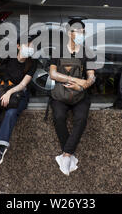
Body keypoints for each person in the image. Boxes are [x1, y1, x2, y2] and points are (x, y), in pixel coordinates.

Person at [49, 19, 97, 176]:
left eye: (83, 31)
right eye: (77, 31)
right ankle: (69, 154)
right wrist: (75, 80)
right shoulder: (58, 50)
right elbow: (53, 74)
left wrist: (82, 86)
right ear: (69, 33)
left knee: (81, 119)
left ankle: (66, 155)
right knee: (58, 116)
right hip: (60, 94)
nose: (81, 34)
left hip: (80, 95)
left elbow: (91, 78)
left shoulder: (88, 52)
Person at [0, 35, 38, 166]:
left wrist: (9, 92)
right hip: (2, 92)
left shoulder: (32, 63)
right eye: (27, 45)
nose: (30, 48)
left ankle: (0, 149)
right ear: (18, 46)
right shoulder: (10, 57)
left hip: (19, 94)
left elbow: (23, 84)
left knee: (11, 113)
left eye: (32, 45)